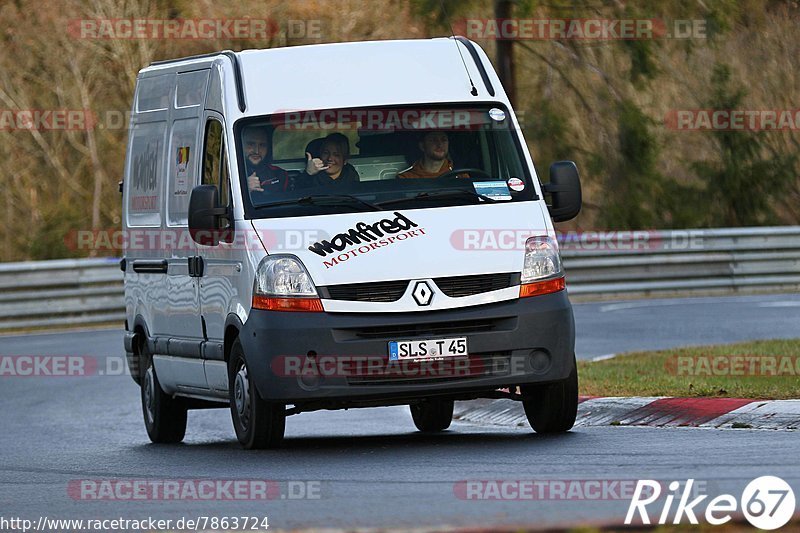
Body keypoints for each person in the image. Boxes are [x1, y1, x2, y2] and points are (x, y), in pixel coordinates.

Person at [296, 133, 360, 188]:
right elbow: (297, 194)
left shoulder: (351, 175)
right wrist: (308, 173)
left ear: (345, 160)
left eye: (336, 155)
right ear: (320, 154)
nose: (329, 158)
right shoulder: (310, 179)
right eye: (326, 153)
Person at [397, 130, 467, 179]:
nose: (439, 144)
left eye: (444, 140)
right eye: (433, 140)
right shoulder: (407, 177)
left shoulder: (460, 176)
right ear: (422, 146)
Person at [242, 125, 289, 193]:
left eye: (262, 145)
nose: (256, 151)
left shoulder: (279, 174)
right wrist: (244, 189)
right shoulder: (230, 174)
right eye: (251, 144)